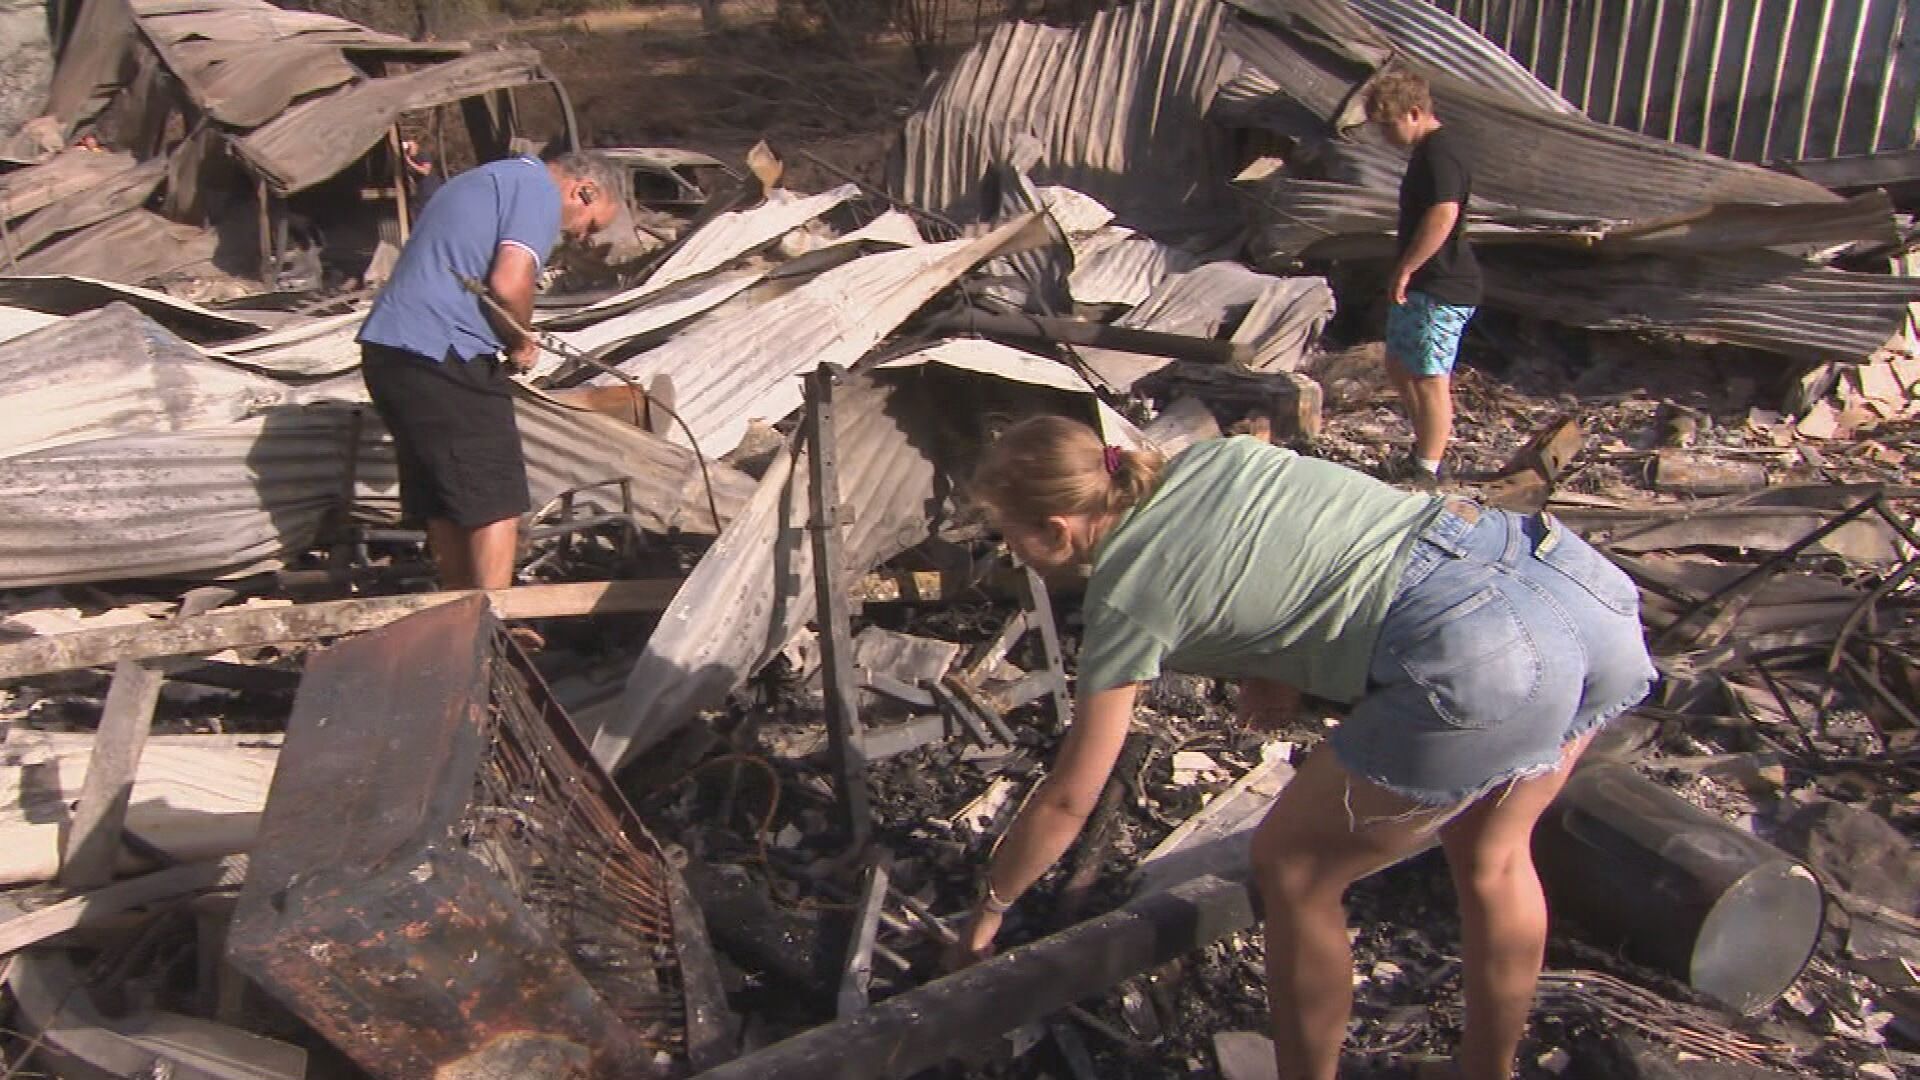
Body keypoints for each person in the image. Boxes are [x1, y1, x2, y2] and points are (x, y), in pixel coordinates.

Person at [954, 416, 1655, 1080]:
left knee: (1293, 868)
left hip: (1486, 655)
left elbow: (1072, 796)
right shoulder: (1215, 457)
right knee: (1494, 857)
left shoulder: (1126, 598)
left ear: (1057, 527)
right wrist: (1273, 670)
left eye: (1009, 536)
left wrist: (988, 910)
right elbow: (1295, 547)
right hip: (1573, 589)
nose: (1010, 553)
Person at [357, 151, 620, 591]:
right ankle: (494, 620)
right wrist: (521, 338)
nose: (579, 237)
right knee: (495, 495)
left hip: (390, 350)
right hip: (444, 351)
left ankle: (460, 612)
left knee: (447, 499)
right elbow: (508, 282)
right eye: (589, 224)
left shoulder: (484, 179)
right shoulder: (536, 191)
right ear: (583, 190)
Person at [1367, 70, 1481, 491]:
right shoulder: (1426, 153)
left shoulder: (1441, 152)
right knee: (1400, 364)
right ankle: (1422, 450)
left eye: (1388, 124)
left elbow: (1444, 212)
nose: (1385, 136)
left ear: (1415, 113)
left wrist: (1409, 266)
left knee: (1430, 375)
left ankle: (1429, 468)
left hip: (1443, 281)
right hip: (1422, 283)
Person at [400, 138, 445, 211]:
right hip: (421, 191)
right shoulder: (410, 158)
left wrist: (409, 162)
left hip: (431, 189)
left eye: (411, 146)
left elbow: (425, 171)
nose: (409, 149)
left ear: (416, 145)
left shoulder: (423, 154)